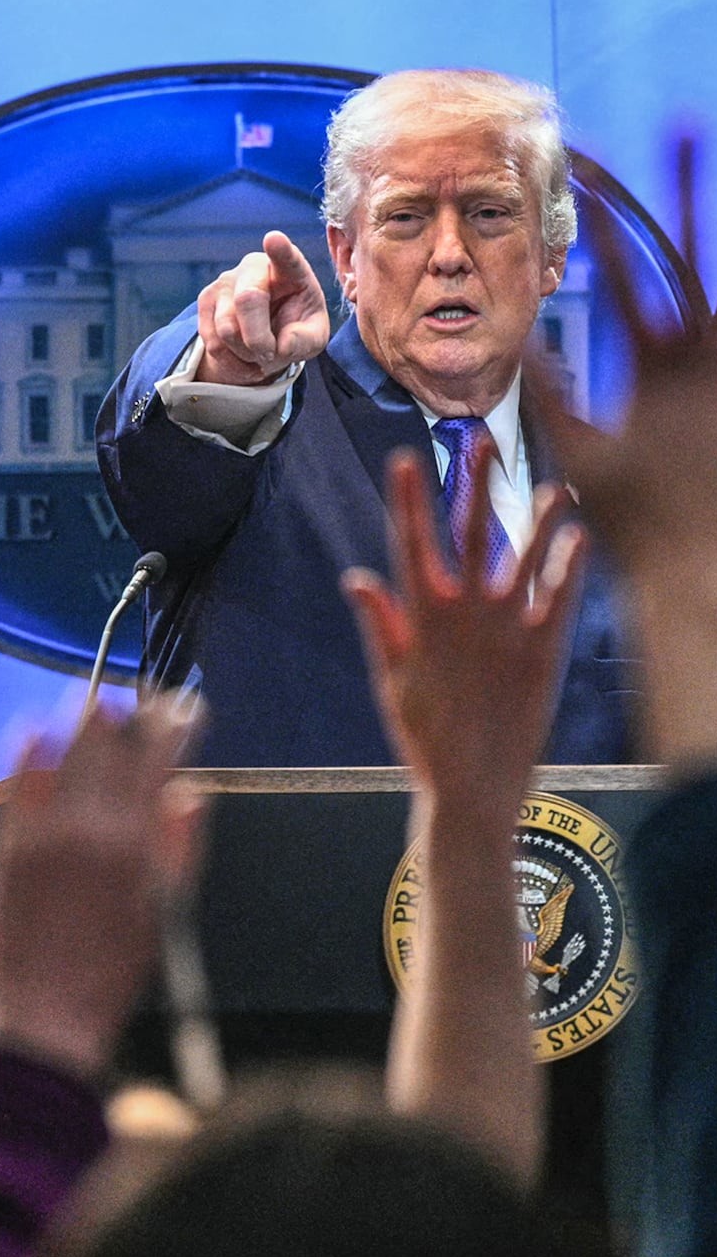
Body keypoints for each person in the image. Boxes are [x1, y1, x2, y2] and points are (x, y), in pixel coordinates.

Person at [96, 68, 632, 766]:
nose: (449, 256)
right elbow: (164, 460)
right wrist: (224, 367)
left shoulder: (628, 497)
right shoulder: (264, 426)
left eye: (489, 214)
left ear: (552, 256)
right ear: (345, 257)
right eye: (405, 217)